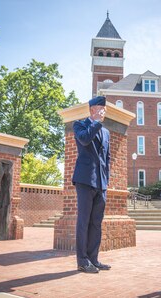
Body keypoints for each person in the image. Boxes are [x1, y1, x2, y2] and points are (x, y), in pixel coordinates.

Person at [72, 95, 111, 274]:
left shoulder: (106, 132)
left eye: (104, 108)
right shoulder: (79, 125)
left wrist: (106, 181)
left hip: (101, 184)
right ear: (91, 110)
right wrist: (95, 122)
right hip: (85, 180)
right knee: (84, 221)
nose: (103, 110)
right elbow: (85, 140)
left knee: (96, 222)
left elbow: (107, 159)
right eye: (99, 108)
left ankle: (93, 258)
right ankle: (82, 261)